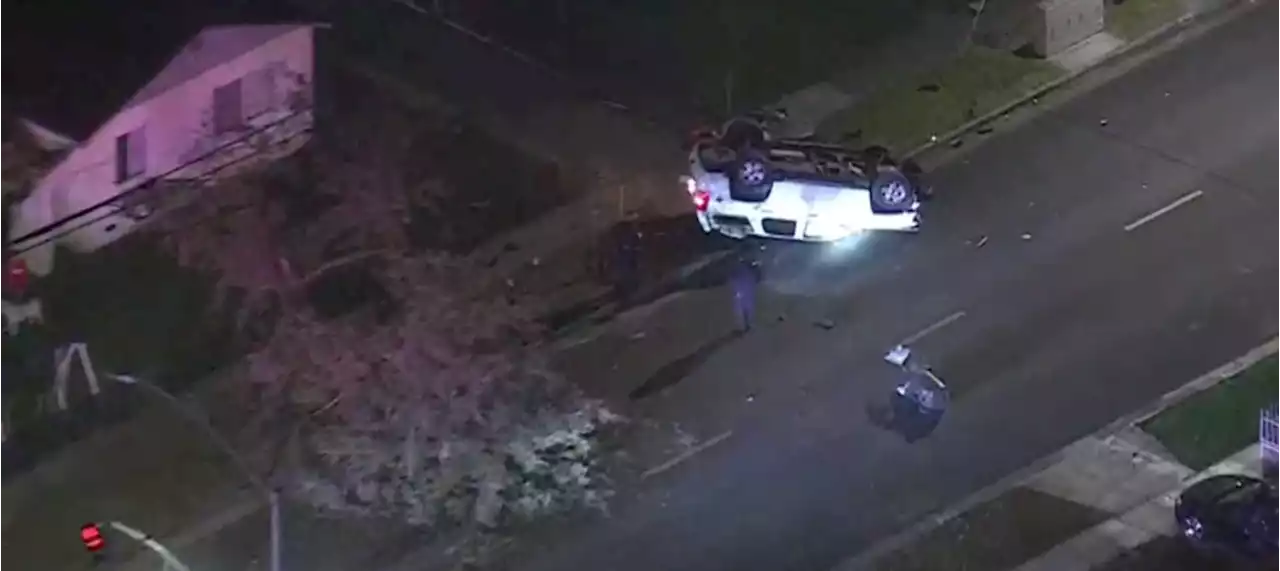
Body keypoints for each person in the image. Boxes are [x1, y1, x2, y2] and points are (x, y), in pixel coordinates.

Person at [729, 253, 759, 332]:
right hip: (744, 290)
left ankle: (746, 324)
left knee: (745, 308)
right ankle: (746, 324)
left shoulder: (743, 267)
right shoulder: (740, 268)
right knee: (744, 308)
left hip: (745, 290)